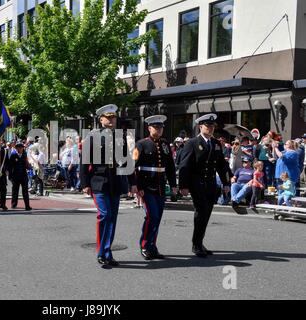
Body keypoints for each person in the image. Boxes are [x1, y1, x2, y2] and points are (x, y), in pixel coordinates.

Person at [80, 104, 137, 266]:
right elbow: (84, 163)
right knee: (104, 215)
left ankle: (107, 251)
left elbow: (127, 161)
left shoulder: (121, 137)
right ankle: (101, 251)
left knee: (112, 218)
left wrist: (133, 183)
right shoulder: (92, 137)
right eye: (109, 117)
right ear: (101, 119)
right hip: (99, 181)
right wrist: (85, 183)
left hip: (116, 181)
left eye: (114, 117)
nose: (112, 120)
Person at [178, 113, 231, 258]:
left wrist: (226, 183)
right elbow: (185, 165)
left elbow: (222, 165)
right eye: (208, 126)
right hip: (197, 183)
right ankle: (196, 244)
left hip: (211, 184)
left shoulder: (215, 143)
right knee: (201, 212)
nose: (211, 128)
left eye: (212, 126)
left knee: (206, 214)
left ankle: (200, 242)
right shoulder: (192, 143)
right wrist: (183, 185)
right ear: (200, 126)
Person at [133, 115, 177, 260]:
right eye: (156, 127)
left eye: (161, 127)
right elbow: (133, 166)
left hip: (160, 186)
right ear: (149, 128)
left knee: (157, 218)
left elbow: (170, 166)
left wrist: (173, 185)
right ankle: (145, 245)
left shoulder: (165, 144)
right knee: (152, 216)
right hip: (146, 186)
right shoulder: (141, 144)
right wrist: (136, 186)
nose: (159, 130)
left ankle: (152, 246)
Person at [9, 140, 32, 211]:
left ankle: (27, 205)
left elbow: (26, 164)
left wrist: (29, 166)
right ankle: (13, 204)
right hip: (15, 176)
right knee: (15, 191)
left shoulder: (24, 154)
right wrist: (10, 176)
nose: (20, 148)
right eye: (19, 147)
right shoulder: (13, 155)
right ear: (16, 148)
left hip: (23, 175)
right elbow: (10, 166)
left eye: (21, 147)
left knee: (25, 191)